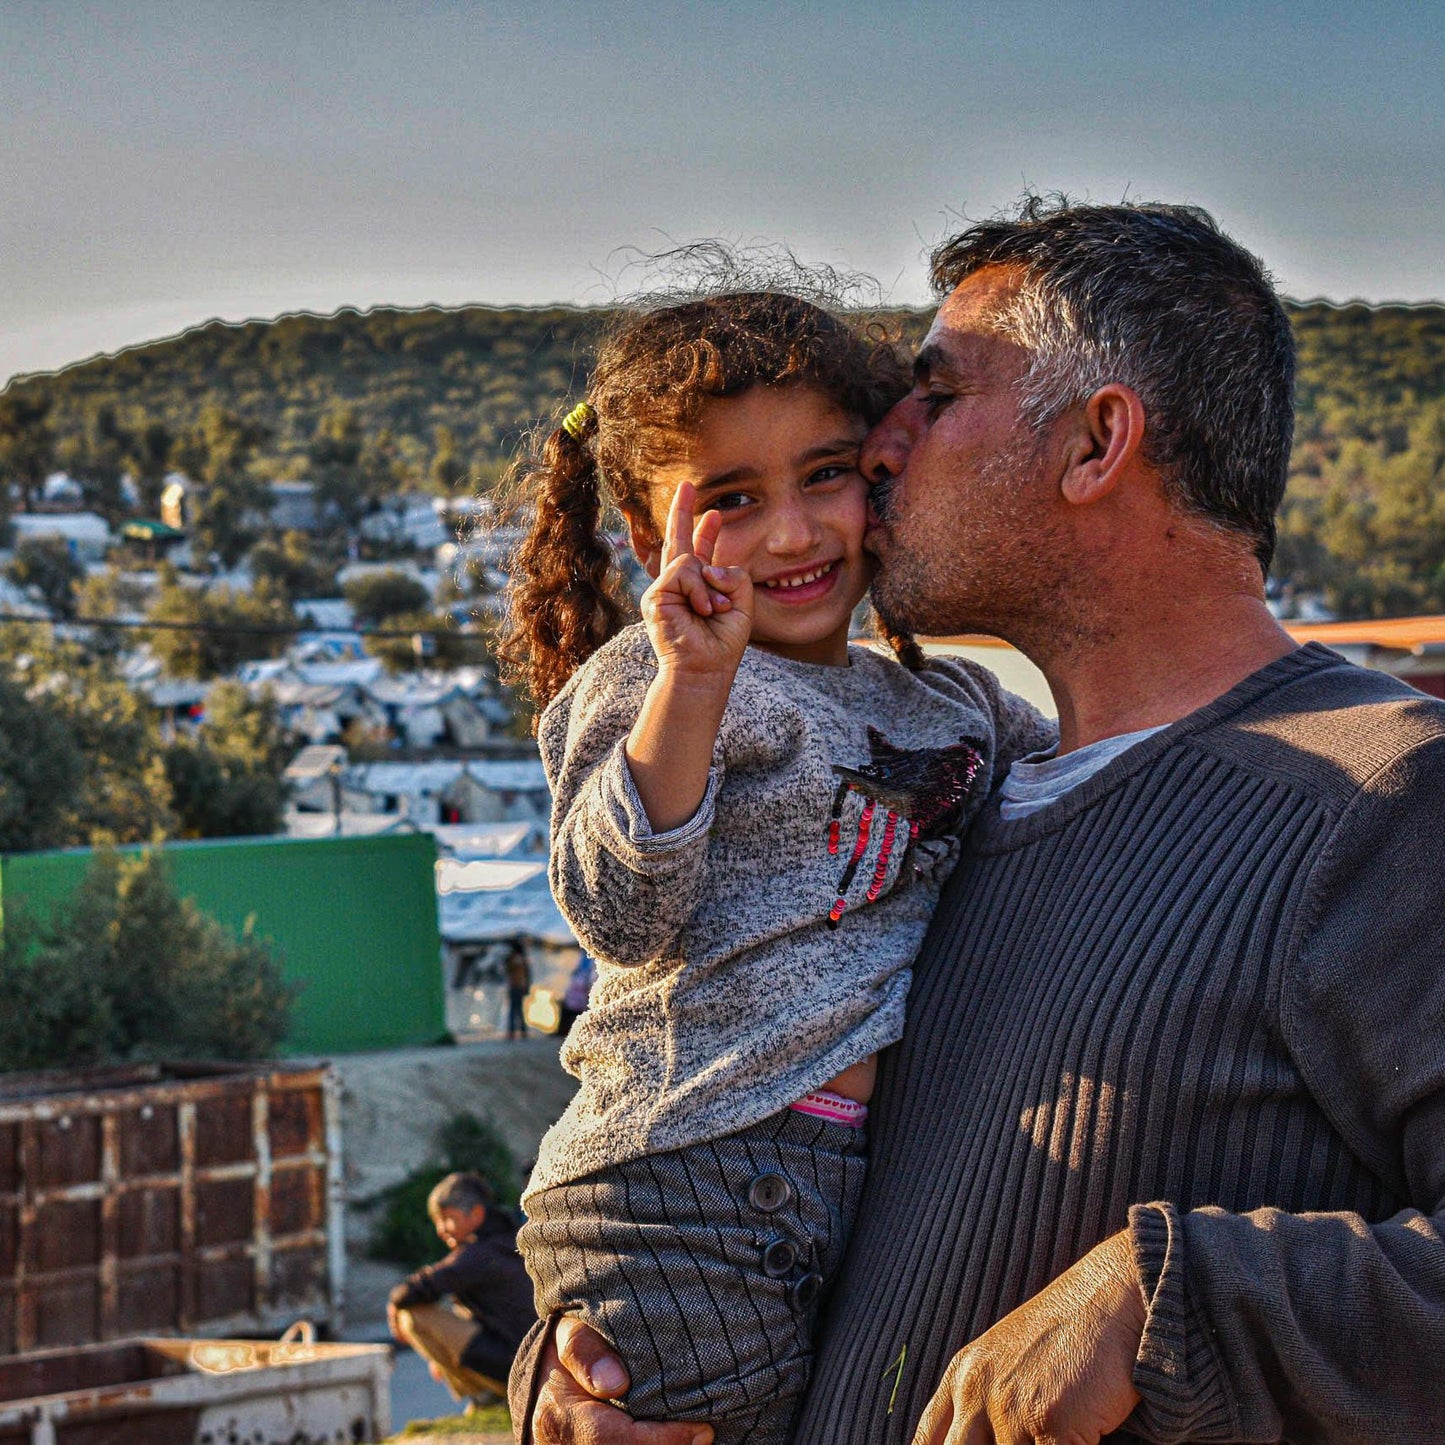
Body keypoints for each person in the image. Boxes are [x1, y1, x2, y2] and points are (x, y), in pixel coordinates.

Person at [518, 199, 1445, 1445]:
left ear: (1094, 441)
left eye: (935, 397)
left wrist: (1155, 1300)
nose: (879, 447)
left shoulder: (1385, 797)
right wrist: (589, 1377)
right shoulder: (960, 797)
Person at [497, 291, 1051, 1445]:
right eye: (733, 501)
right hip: (682, 1179)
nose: (793, 533)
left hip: (846, 1186)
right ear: (652, 541)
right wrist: (688, 687)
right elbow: (617, 912)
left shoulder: (948, 702)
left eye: (827, 475)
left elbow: (1098, 781)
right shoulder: (653, 684)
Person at [387, 1171, 535, 1408]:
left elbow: (415, 1289)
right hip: (531, 1363)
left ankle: (488, 1395)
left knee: (413, 1315)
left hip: (516, 1366)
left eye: (448, 1218)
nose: (441, 1229)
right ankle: (490, 1394)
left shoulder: (478, 1255)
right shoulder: (507, 1236)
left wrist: (394, 1308)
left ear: (476, 1214)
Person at [555, 950, 595, 1038]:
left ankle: (567, 1031)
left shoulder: (589, 957)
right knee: (569, 1009)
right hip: (580, 986)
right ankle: (563, 1031)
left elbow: (589, 973)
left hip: (584, 986)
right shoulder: (584, 955)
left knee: (578, 1011)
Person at [503, 939, 531, 1039]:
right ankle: (521, 1032)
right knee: (518, 1010)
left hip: (515, 986)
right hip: (519, 986)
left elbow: (508, 970)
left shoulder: (513, 959)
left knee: (514, 1010)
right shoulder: (522, 960)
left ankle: (513, 1032)